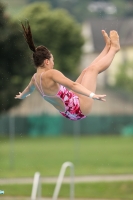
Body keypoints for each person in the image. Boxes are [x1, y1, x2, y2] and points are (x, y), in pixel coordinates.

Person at [15, 22, 120, 120]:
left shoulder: (34, 79)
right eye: (52, 60)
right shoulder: (51, 73)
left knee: (86, 71)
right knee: (93, 70)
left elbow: (28, 90)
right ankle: (114, 48)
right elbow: (73, 85)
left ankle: (107, 47)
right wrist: (92, 95)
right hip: (79, 108)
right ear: (47, 62)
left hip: (69, 112)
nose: (53, 63)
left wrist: (21, 96)